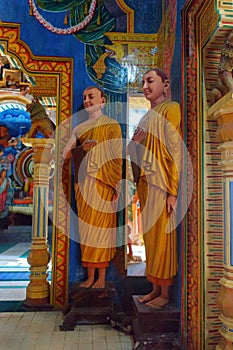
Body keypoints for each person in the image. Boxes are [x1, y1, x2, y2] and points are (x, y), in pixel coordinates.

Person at [128, 68, 181, 308]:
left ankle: (166, 294)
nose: (146, 86)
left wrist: (173, 191)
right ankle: (154, 288)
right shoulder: (146, 117)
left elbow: (173, 150)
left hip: (162, 185)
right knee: (150, 239)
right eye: (144, 82)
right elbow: (135, 152)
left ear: (165, 84)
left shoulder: (171, 109)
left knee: (163, 239)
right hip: (147, 185)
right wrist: (134, 144)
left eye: (151, 80)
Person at [63, 86, 122, 289]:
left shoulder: (112, 125)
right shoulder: (79, 129)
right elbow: (65, 155)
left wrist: (116, 185)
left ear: (103, 101)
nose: (87, 100)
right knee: (87, 231)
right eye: (85, 97)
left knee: (102, 231)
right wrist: (82, 148)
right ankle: (90, 276)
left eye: (91, 96)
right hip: (84, 186)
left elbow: (116, 157)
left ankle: (102, 278)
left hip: (104, 184)